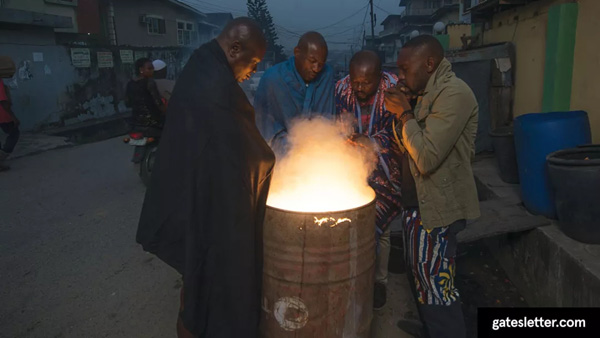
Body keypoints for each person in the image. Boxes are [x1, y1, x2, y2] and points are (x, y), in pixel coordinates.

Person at [136, 17, 274, 338]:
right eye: (252, 62)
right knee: (209, 283)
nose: (252, 70)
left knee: (194, 279)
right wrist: (267, 159)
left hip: (189, 186)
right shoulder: (217, 87)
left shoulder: (200, 63)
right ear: (234, 48)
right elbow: (245, 147)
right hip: (206, 199)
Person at [385, 35, 480, 338]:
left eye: (404, 69)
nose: (400, 76)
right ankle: (431, 326)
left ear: (428, 63)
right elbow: (404, 146)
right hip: (417, 204)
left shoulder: (455, 94)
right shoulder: (424, 93)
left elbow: (426, 158)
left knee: (438, 283)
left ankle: (447, 330)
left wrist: (405, 113)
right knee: (421, 274)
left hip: (438, 208)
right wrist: (403, 112)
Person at [335, 50, 402, 310]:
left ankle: (379, 282)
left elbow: (401, 130)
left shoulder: (394, 90)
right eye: (356, 82)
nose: (359, 88)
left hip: (385, 171)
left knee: (379, 227)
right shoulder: (341, 89)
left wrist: (373, 143)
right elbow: (337, 123)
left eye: (365, 83)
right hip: (351, 166)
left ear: (380, 76)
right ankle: (352, 278)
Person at [254, 31, 335, 154]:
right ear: (297, 52)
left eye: (321, 64)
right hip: (280, 157)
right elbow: (264, 130)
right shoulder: (273, 79)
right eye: (312, 61)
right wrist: (295, 149)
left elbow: (327, 121)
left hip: (317, 155)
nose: (316, 69)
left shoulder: (326, 76)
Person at [125, 58, 165, 129]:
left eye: (153, 68)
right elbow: (158, 102)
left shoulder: (130, 83)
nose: (152, 71)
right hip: (153, 121)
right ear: (141, 70)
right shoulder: (149, 83)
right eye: (149, 69)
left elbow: (127, 103)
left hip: (135, 120)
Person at [0, 56, 19, 172]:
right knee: (14, 133)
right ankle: (1, 157)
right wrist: (14, 117)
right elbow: (3, 102)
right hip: (2, 115)